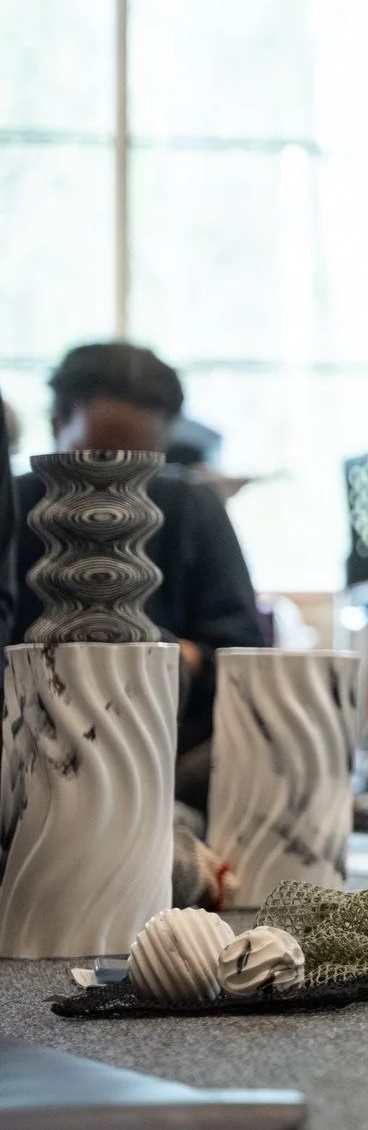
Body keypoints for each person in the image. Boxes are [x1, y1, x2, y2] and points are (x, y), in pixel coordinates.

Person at [5, 344, 266, 813]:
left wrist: (177, 661)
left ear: (164, 445)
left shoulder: (193, 508)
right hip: (29, 747)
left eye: (138, 463)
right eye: (97, 456)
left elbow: (242, 656)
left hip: (167, 742)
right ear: (57, 426)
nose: (113, 484)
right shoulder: (15, 506)